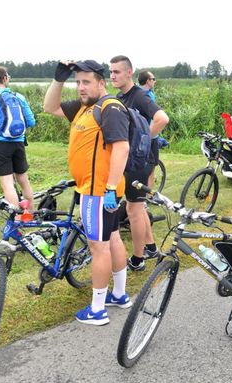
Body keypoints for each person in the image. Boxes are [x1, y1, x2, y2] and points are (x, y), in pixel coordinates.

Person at [43, 60, 131, 325]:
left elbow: (122, 148)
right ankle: (119, 295)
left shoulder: (109, 107)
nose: (81, 87)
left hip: (98, 192)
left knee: (98, 247)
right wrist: (59, 79)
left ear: (101, 83)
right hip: (97, 189)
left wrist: (110, 188)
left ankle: (97, 309)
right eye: (78, 82)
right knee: (112, 239)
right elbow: (50, 107)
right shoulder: (84, 107)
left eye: (86, 82)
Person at [109, 55, 169, 271]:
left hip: (141, 159)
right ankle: (150, 246)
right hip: (131, 159)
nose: (112, 75)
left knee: (133, 209)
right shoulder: (119, 97)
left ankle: (138, 259)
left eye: (117, 71)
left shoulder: (140, 96)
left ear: (129, 72)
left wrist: (142, 139)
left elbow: (162, 118)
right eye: (111, 71)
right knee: (138, 206)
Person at [0, 65, 36, 209]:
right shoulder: (18, 96)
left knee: (7, 183)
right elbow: (31, 121)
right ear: (5, 78)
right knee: (23, 180)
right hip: (19, 143)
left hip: (0, 144)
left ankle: (16, 218)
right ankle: (31, 214)